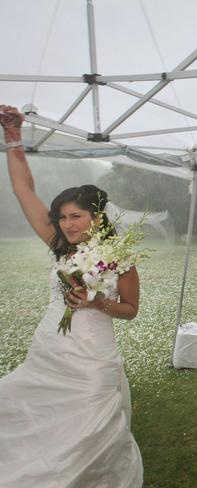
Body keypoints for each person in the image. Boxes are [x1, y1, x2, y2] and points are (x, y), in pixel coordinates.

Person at [0, 105, 143, 487]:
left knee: (89, 421)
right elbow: (22, 190)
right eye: (62, 217)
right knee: (36, 412)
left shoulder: (122, 259)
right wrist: (13, 138)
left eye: (75, 216)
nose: (67, 224)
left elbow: (130, 310)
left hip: (93, 356)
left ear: (97, 217)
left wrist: (98, 303)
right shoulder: (60, 246)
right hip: (51, 346)